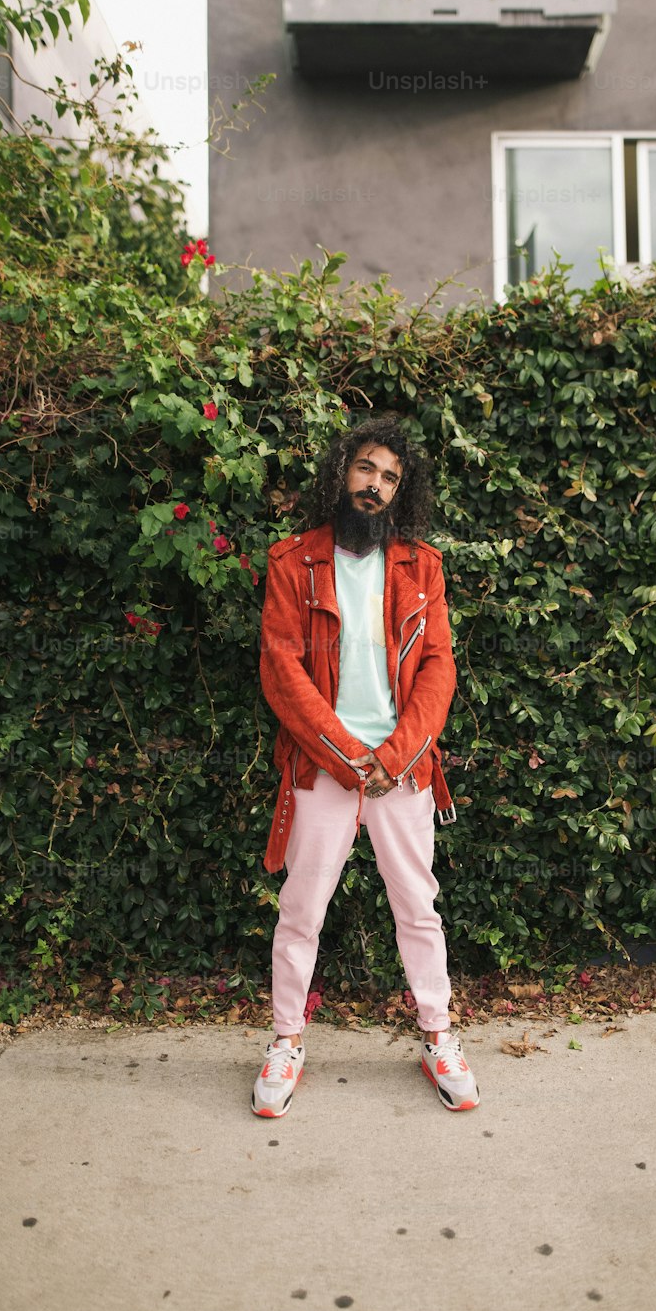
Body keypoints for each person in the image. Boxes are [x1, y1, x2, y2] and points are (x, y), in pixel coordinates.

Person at [252, 416, 480, 1117]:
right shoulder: (293, 562)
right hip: (324, 770)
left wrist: (389, 756)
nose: (374, 485)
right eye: (366, 469)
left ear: (400, 492)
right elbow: (282, 670)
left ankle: (438, 1036)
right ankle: (286, 1040)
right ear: (341, 471)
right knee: (301, 911)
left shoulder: (423, 567)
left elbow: (438, 671)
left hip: (401, 771)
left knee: (418, 907)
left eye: (389, 477)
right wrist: (352, 756)